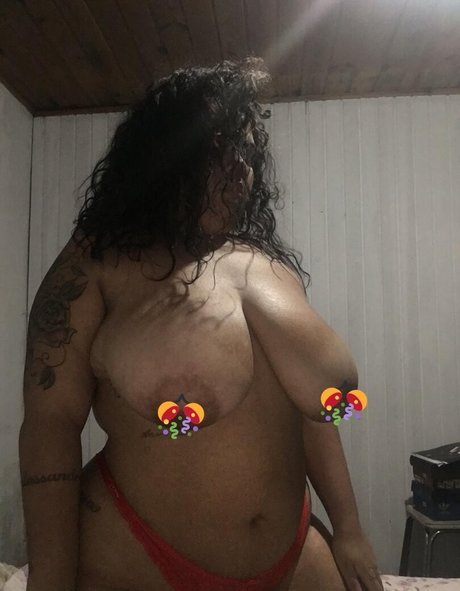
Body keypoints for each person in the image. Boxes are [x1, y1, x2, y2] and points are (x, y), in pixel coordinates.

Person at [19, 58, 384, 591]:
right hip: (135, 552)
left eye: (248, 154)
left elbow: (314, 413)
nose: (240, 168)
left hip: (294, 552)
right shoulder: (95, 264)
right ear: (166, 153)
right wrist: (50, 578)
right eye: (220, 148)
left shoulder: (272, 268)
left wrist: (349, 529)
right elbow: (51, 423)